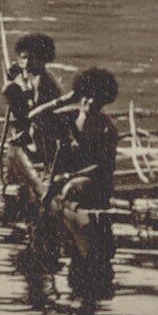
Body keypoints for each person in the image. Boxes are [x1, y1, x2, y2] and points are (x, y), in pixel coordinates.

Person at [51, 67, 121, 211]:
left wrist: (70, 176)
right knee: (62, 184)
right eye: (86, 95)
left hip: (95, 181)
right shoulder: (71, 116)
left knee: (69, 189)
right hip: (70, 174)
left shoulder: (107, 129)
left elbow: (104, 167)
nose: (90, 101)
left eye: (96, 97)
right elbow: (35, 118)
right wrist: (66, 99)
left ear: (104, 100)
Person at [2, 32, 62, 157]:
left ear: (43, 59)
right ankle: (25, 135)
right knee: (11, 88)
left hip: (45, 129)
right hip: (37, 124)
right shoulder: (35, 77)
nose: (27, 62)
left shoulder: (43, 81)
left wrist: (21, 85)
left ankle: (30, 143)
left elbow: (35, 110)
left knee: (10, 89)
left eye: (32, 58)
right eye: (24, 58)